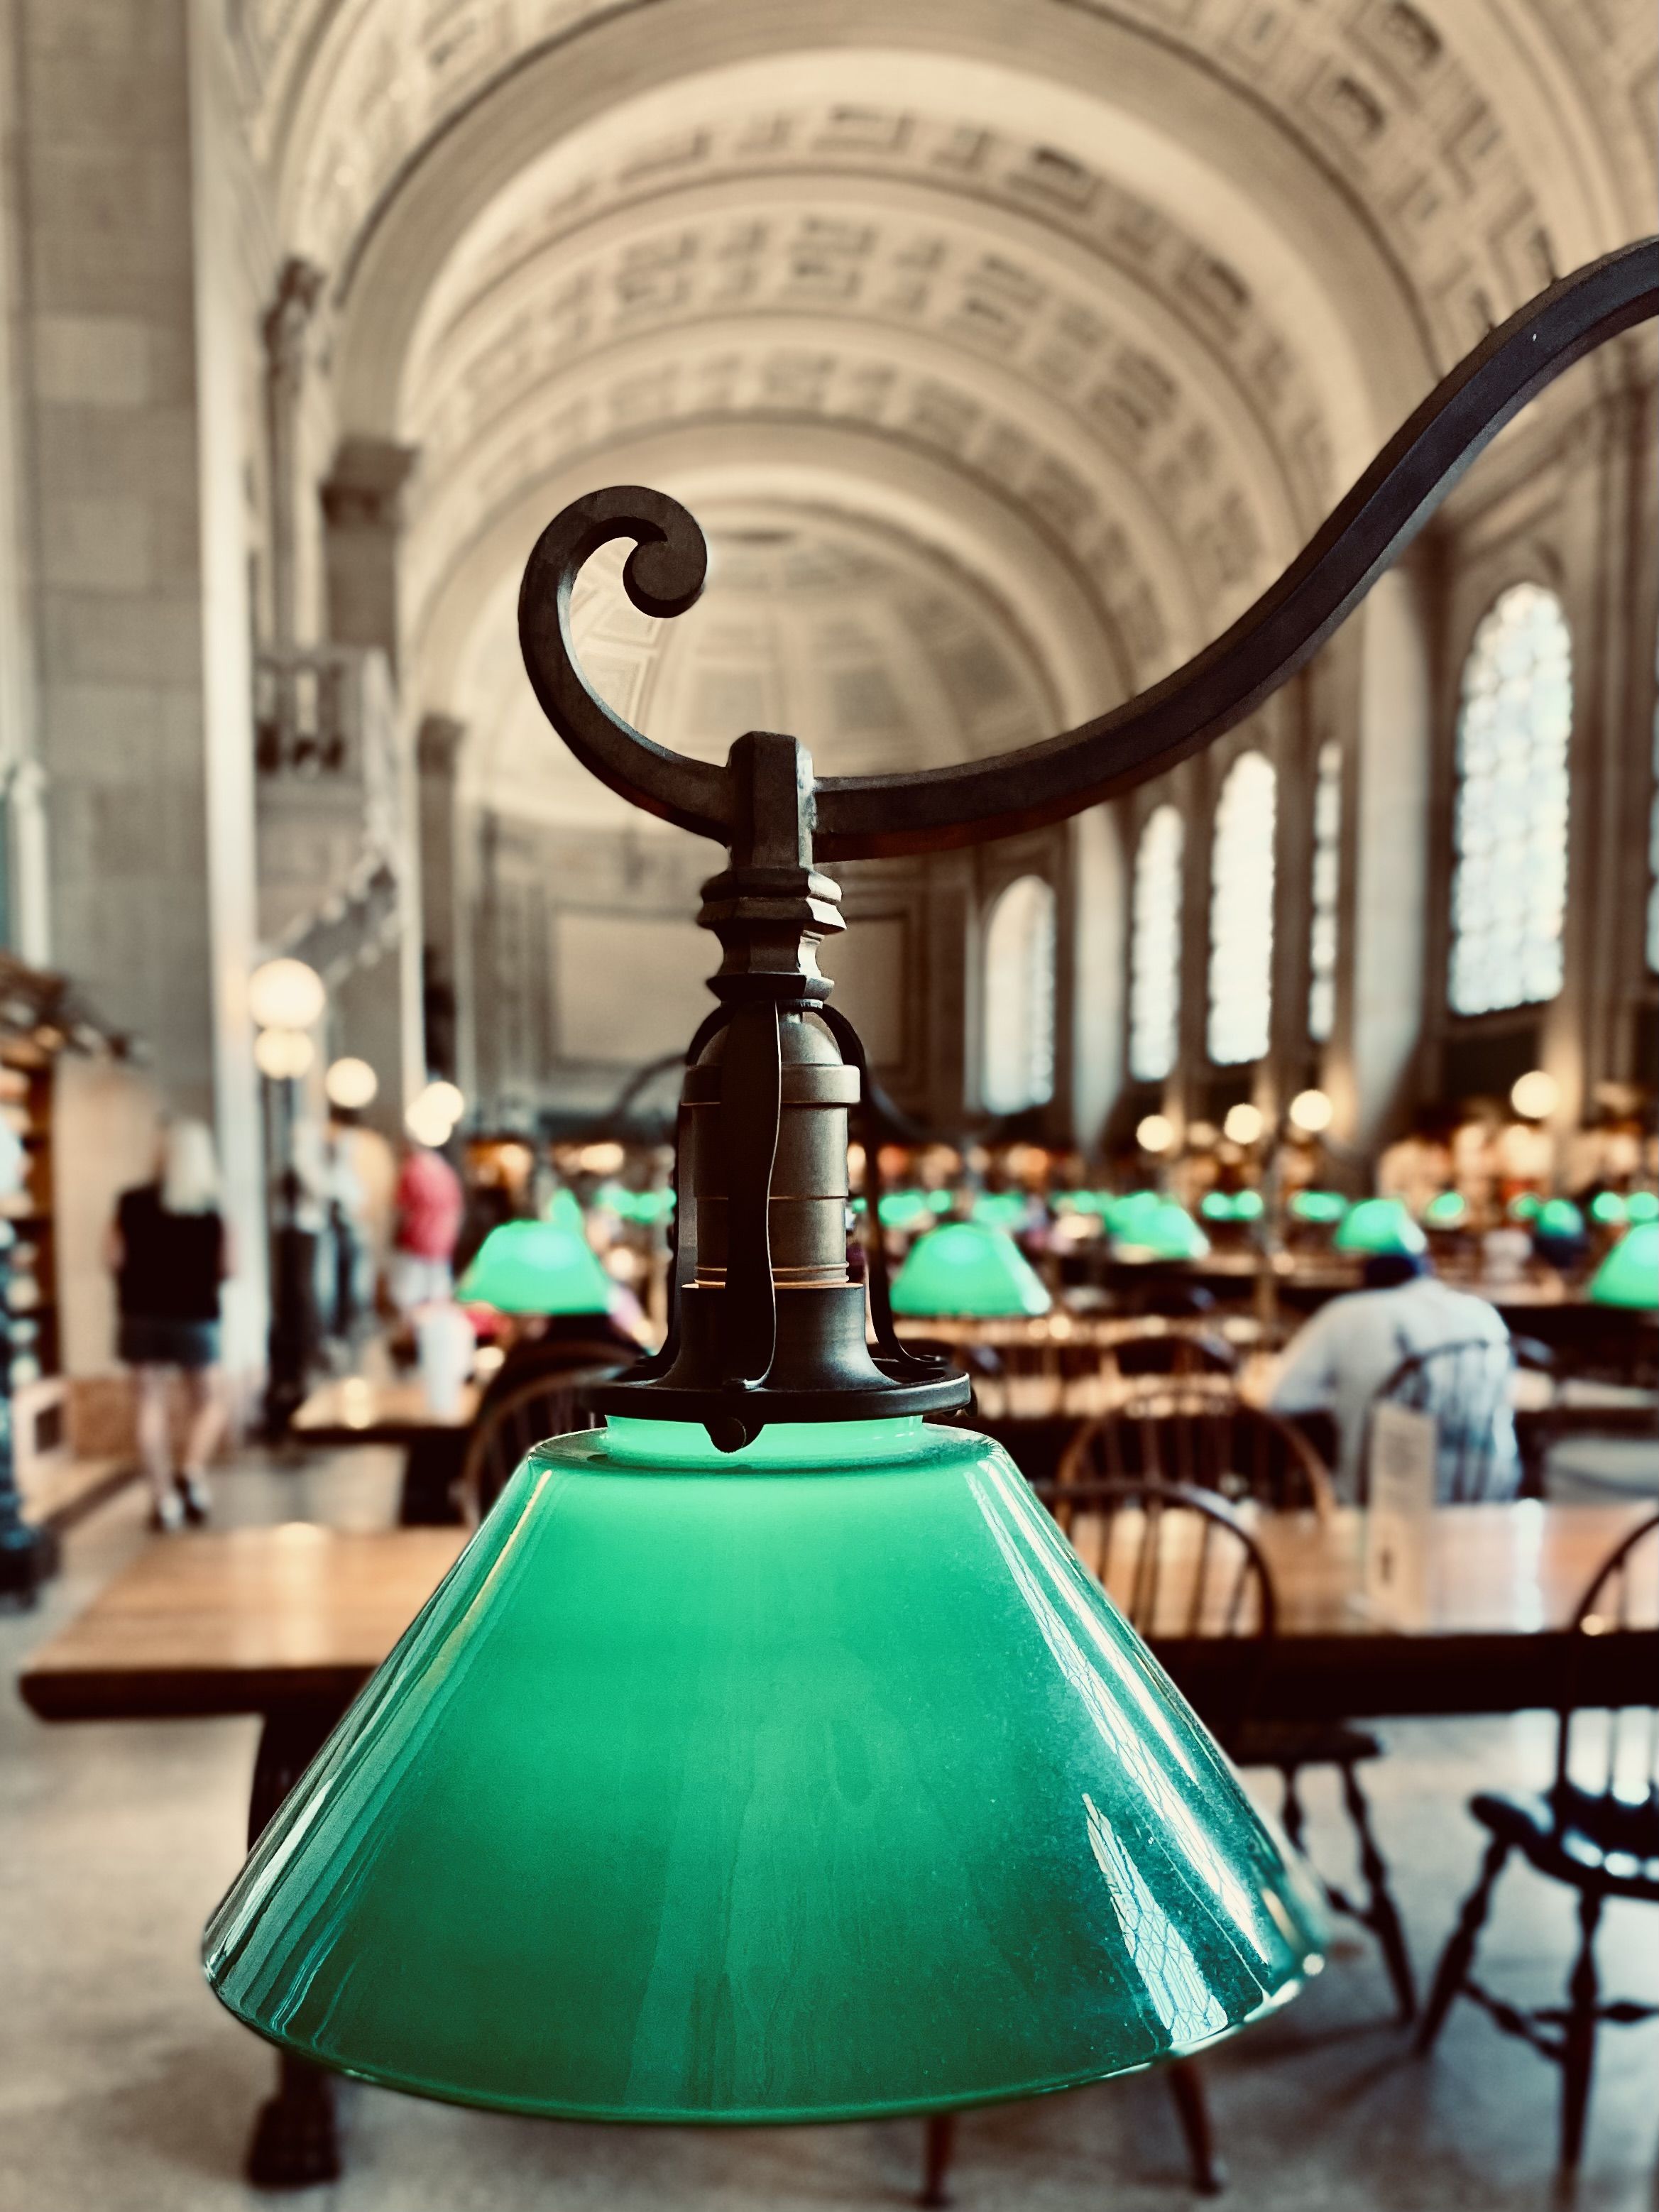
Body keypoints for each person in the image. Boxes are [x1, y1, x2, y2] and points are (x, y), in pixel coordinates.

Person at [1269, 1249, 1517, 1503]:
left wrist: (1345, 1398)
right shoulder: (1483, 1314)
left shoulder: (1349, 1312)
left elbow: (1281, 1397)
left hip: (1385, 1501)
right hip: (1489, 1495)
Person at [108, 1119, 231, 1531]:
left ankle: (163, 1500)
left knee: (149, 1404)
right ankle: (191, 1472)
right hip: (196, 1315)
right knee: (211, 1400)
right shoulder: (211, 1207)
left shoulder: (130, 1202)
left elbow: (112, 1260)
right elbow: (230, 1266)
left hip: (140, 1314)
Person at [388, 1140, 464, 1315]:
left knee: (406, 1299)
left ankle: (414, 1339)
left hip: (416, 1244)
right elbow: (458, 1210)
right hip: (442, 1245)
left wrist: (395, 1238)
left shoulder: (413, 1169)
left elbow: (402, 1210)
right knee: (437, 1300)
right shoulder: (445, 1170)